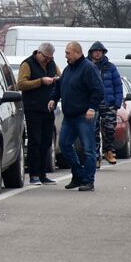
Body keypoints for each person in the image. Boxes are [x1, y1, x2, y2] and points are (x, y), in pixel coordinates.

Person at [49, 42, 104, 191]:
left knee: (88, 149)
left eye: (68, 53)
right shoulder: (68, 69)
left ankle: (88, 180)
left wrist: (92, 107)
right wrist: (53, 98)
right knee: (65, 145)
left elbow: (98, 90)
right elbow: (60, 86)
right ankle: (78, 174)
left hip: (84, 115)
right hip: (69, 116)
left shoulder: (88, 68)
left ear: (77, 53)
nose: (66, 55)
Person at [16, 43, 60, 185]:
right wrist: (41, 81)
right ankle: (33, 174)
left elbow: (61, 76)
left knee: (47, 141)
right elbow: (21, 84)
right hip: (33, 108)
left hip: (48, 108)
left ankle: (42, 174)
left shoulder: (52, 64)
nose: (48, 60)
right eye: (46, 58)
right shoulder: (27, 64)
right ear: (39, 53)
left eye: (50, 58)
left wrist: (57, 81)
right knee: (35, 141)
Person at [88, 42, 123, 165]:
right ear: (91, 52)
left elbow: (118, 85)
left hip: (108, 103)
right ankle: (96, 157)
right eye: (95, 50)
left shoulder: (110, 67)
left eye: (100, 51)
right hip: (92, 103)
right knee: (93, 130)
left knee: (109, 129)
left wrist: (117, 102)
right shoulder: (86, 66)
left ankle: (108, 151)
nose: (97, 53)